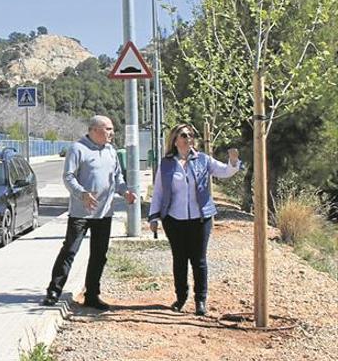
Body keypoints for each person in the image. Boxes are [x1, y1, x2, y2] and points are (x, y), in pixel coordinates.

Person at [41, 115, 136, 310]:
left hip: (104, 213)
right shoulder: (78, 149)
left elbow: (117, 177)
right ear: (94, 130)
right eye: (107, 129)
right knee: (69, 251)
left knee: (99, 255)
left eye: (111, 129)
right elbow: (68, 176)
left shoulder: (111, 151)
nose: (112, 132)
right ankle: (53, 291)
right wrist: (82, 194)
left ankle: (92, 295)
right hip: (80, 213)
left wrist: (125, 192)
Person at [148, 123, 241, 316]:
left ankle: (201, 301)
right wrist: (154, 217)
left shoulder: (203, 160)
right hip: (173, 220)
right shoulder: (166, 164)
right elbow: (158, 192)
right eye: (184, 135)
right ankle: (181, 298)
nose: (188, 138)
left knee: (199, 260)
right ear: (175, 140)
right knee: (179, 260)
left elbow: (225, 171)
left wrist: (233, 161)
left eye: (191, 135)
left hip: (201, 219)